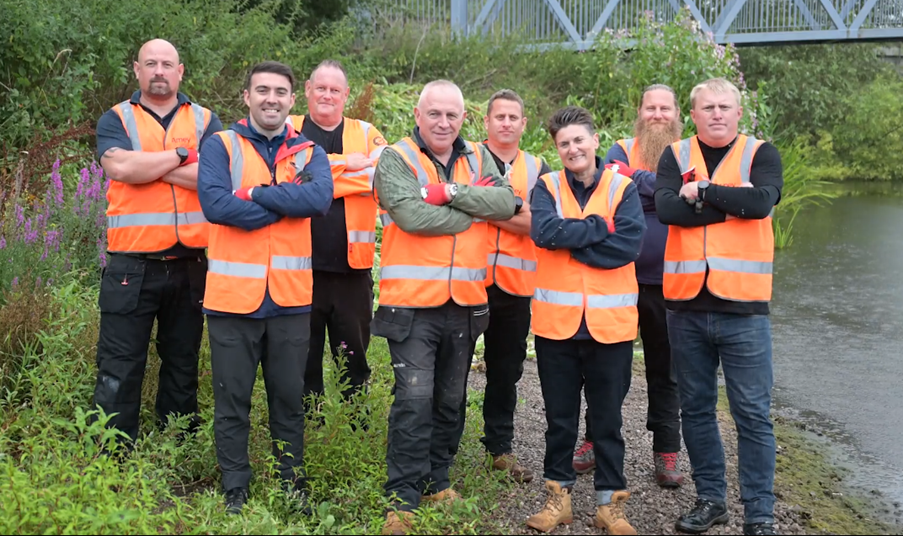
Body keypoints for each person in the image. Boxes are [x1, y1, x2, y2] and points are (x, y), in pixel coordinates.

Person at [371, 80, 515, 535]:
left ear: (462, 118)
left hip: (466, 302)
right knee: (413, 401)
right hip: (410, 307)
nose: (444, 122)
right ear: (418, 113)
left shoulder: (478, 155)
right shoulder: (396, 157)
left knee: (451, 400)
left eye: (452, 115)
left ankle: (438, 480)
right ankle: (402, 498)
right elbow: (410, 217)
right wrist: (474, 210)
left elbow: (506, 202)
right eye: (435, 114)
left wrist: (449, 193)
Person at [197, 61, 333, 515]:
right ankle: (236, 488)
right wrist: (284, 203)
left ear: (293, 100)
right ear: (247, 96)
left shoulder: (309, 150)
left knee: (288, 401)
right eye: (262, 90)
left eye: (280, 91)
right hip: (232, 302)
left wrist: (254, 195)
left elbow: (318, 200)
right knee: (232, 401)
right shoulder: (221, 145)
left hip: (291, 301)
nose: (271, 98)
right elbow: (215, 206)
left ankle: (291, 484)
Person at [654, 77, 782, 536]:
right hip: (685, 306)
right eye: (707, 107)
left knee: (751, 413)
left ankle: (760, 515)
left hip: (744, 309)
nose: (717, 114)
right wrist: (734, 200)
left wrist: (704, 192)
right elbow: (667, 210)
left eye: (725, 106)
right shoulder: (675, 154)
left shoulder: (760, 153)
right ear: (693, 114)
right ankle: (711, 499)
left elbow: (763, 202)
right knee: (697, 408)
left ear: (738, 112)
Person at [92, 38, 222, 443]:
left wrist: (145, 166)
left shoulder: (205, 120)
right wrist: (184, 157)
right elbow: (118, 166)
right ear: (137, 69)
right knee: (120, 363)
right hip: (131, 265)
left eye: (167, 64)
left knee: (182, 362)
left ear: (181, 71)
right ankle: (112, 451)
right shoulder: (117, 118)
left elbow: (216, 179)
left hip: (190, 265)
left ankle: (176, 447)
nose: (160, 71)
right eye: (151, 63)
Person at [526, 105, 645, 536]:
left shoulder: (623, 187)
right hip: (557, 326)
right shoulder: (546, 186)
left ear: (596, 140)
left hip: (609, 327)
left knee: (607, 421)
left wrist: (572, 243)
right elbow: (544, 233)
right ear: (556, 149)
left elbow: (628, 247)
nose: (573, 148)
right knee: (560, 419)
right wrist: (600, 226)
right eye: (564, 143)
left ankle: (610, 506)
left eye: (579, 140)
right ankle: (558, 499)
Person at [573, 84, 685, 488]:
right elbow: (615, 193)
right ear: (639, 112)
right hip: (621, 279)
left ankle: (667, 451)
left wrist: (644, 185)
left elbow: (680, 200)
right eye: (650, 107)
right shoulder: (620, 148)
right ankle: (591, 441)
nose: (657, 114)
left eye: (665, 108)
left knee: (665, 369)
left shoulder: (688, 152)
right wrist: (665, 191)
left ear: (677, 114)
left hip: (672, 280)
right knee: (609, 366)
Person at [287, 60, 387, 412]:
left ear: (346, 95)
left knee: (354, 363)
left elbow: (379, 175)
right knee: (303, 361)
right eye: (321, 88)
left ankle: (355, 434)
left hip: (351, 272)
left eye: (335, 90)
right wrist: (349, 164)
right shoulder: (289, 126)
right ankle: (308, 435)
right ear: (308, 91)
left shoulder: (366, 131)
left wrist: (320, 175)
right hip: (298, 270)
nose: (327, 95)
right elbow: (286, 175)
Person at [464, 89, 551, 483]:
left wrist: (484, 207)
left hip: (516, 285)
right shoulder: (466, 158)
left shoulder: (538, 167)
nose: (505, 123)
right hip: (468, 280)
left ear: (523, 124)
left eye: (513, 117)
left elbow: (539, 224)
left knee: (506, 370)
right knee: (453, 366)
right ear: (486, 121)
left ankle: (499, 448)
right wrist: (512, 209)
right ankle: (443, 447)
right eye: (498, 116)